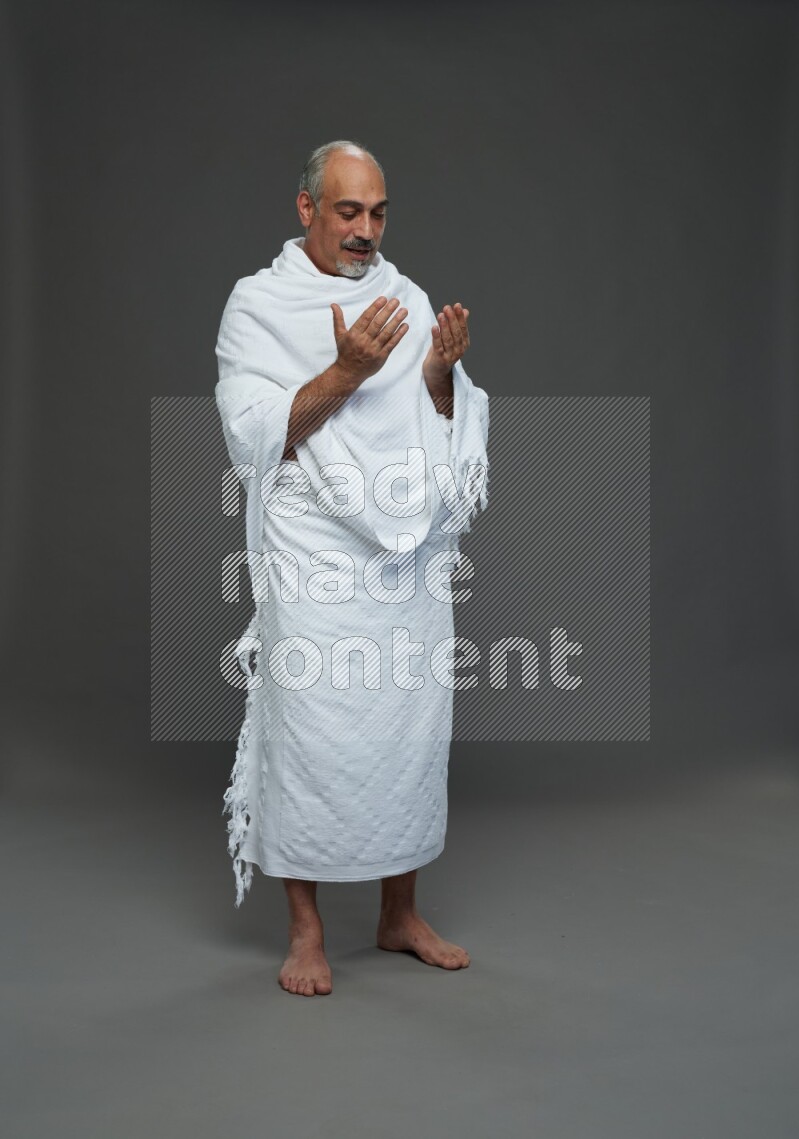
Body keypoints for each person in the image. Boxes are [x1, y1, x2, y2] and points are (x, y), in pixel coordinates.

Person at [215, 139, 490, 996]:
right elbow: (256, 434)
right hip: (314, 550)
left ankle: (398, 912)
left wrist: (441, 375)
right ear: (306, 210)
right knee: (310, 727)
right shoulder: (256, 307)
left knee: (407, 727)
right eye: (347, 211)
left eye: (377, 212)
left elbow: (441, 420)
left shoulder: (402, 297)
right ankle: (306, 928)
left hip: (405, 555)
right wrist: (347, 370)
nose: (366, 230)